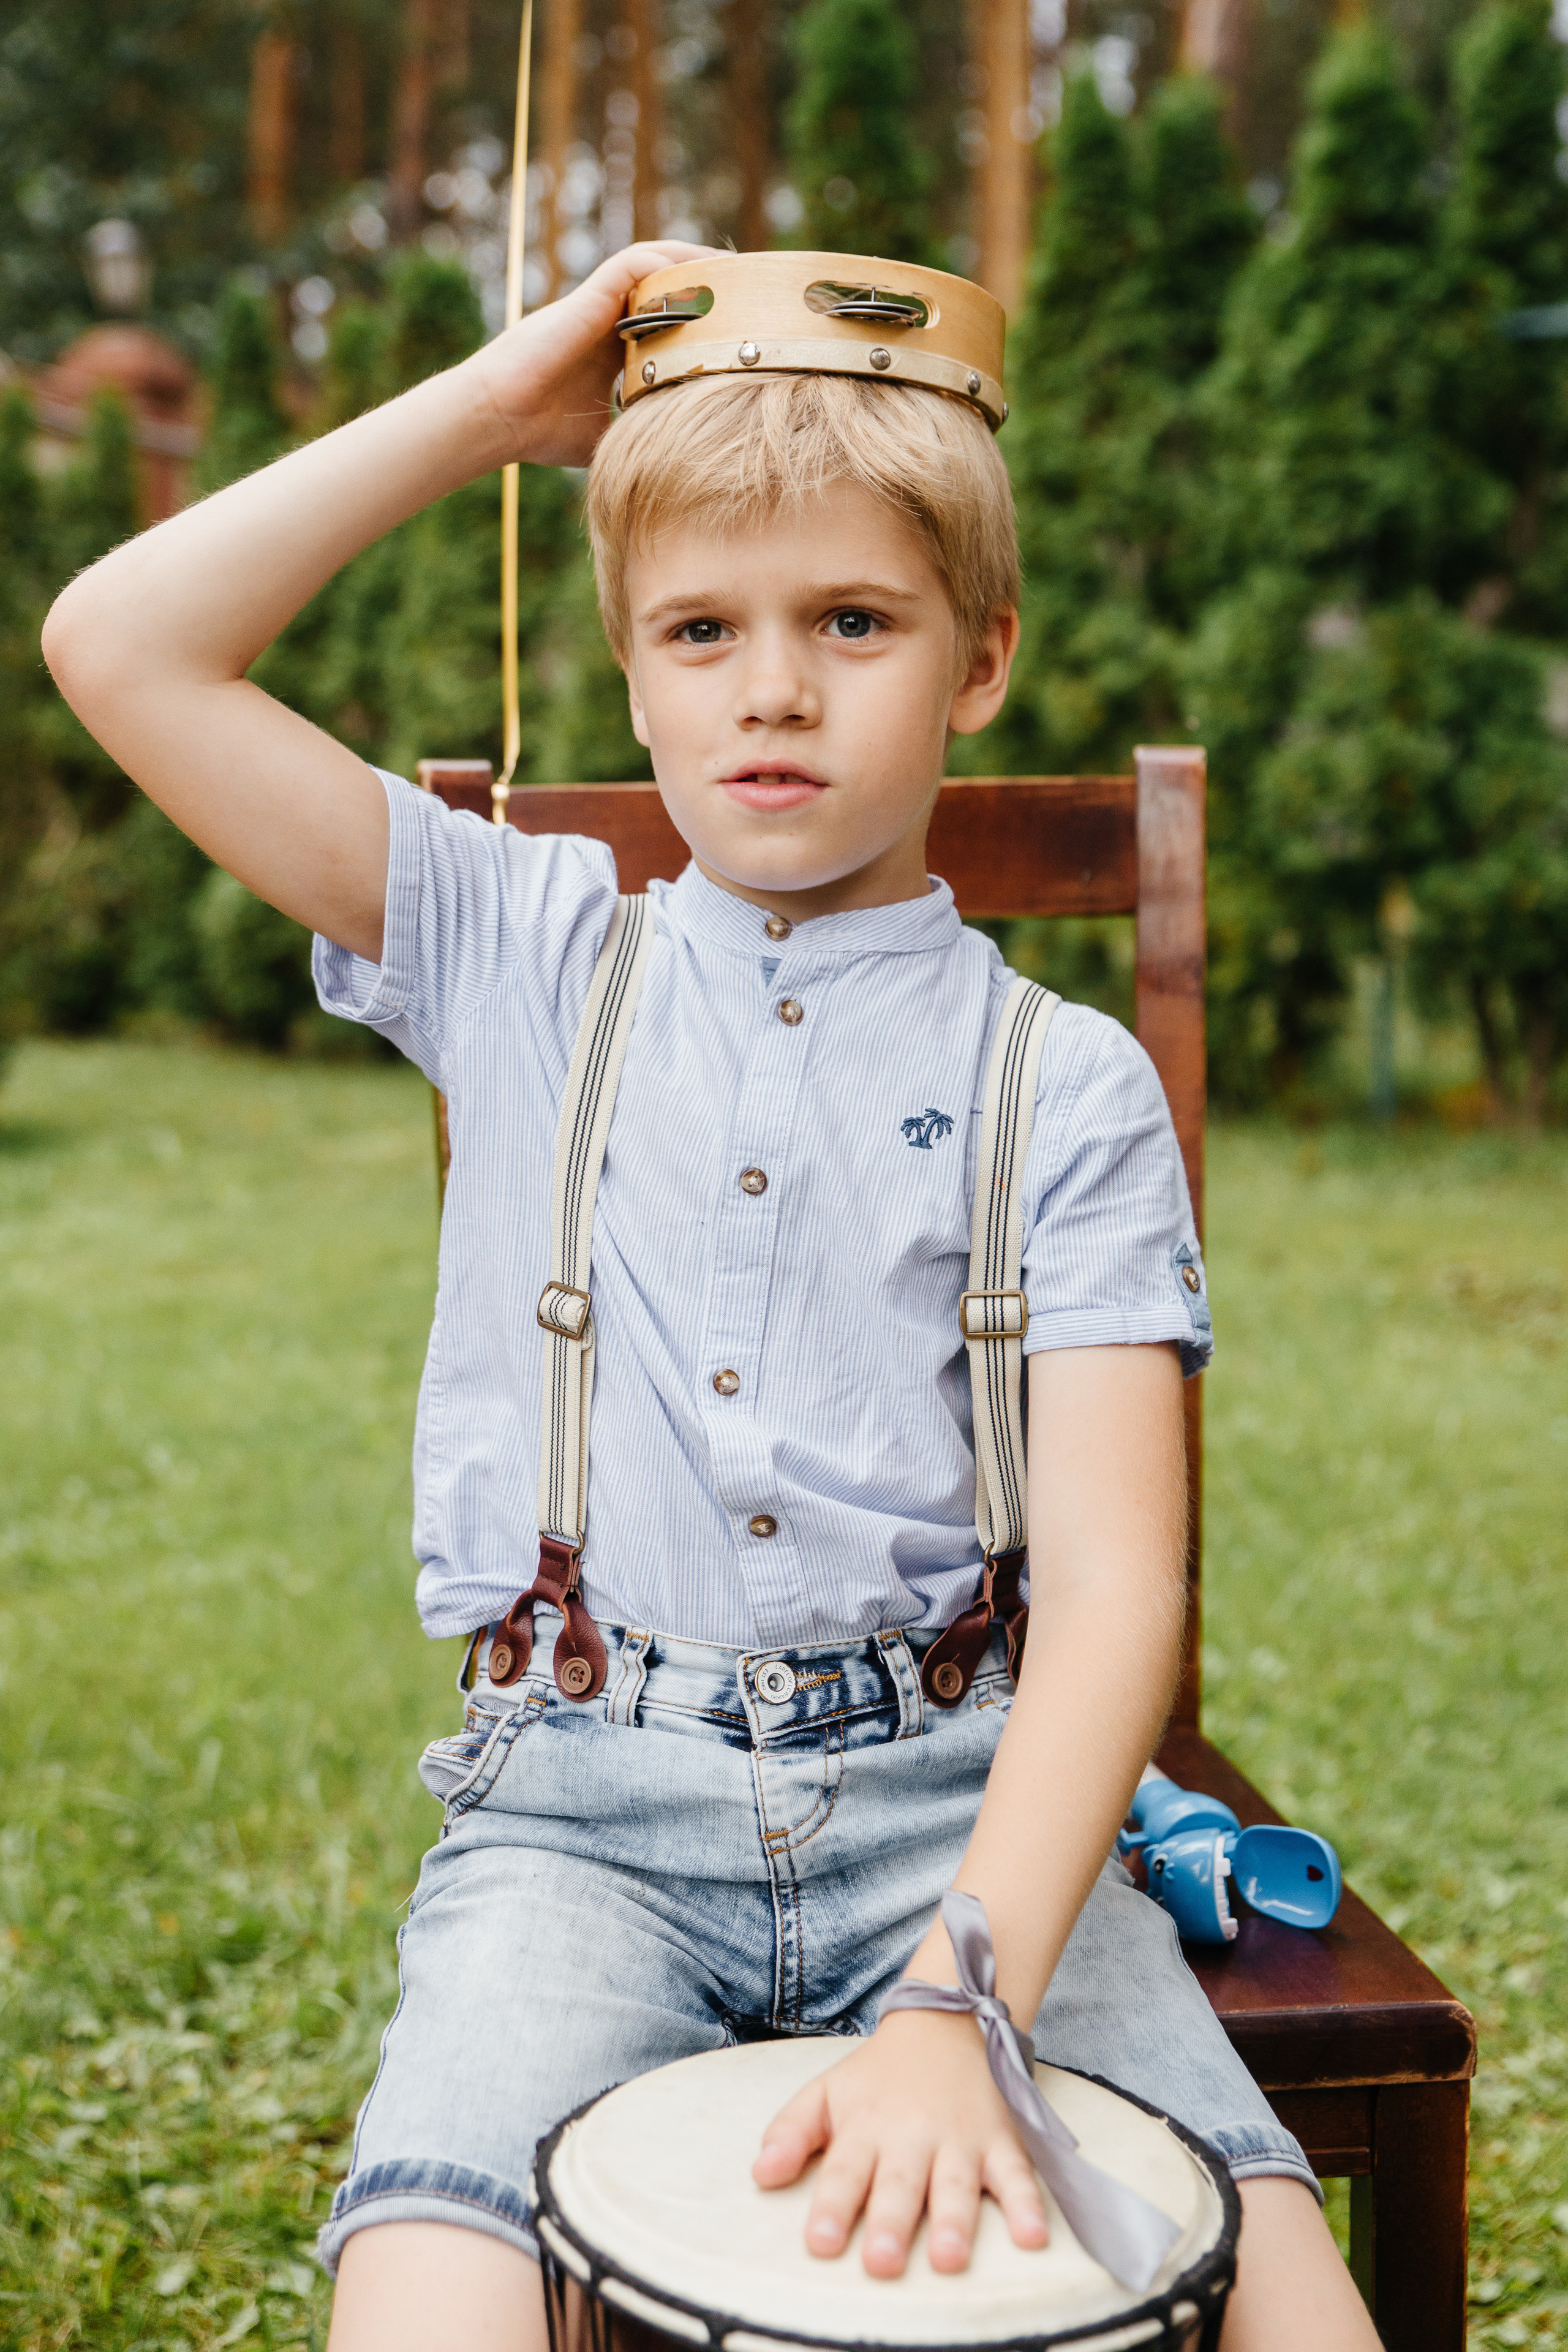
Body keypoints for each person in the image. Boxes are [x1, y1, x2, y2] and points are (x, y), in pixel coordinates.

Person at [43, 242, 1380, 2352]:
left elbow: (1119, 1593)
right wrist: (497, 409)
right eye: (701, 630)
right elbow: (118, 643)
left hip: (964, 1804)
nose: (772, 688)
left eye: (852, 620)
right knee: (426, 2298)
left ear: (980, 659)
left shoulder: (1062, 1082)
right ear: (633, 667)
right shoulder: (514, 942)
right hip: (585, 1812)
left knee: (1284, 2305)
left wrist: (963, 1998)